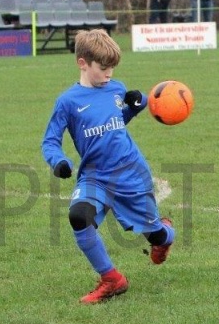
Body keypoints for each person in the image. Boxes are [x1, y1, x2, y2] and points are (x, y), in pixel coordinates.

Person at [42, 29, 175, 304]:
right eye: (103, 68)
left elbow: (115, 121)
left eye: (112, 68)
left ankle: (165, 236)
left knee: (154, 234)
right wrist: (59, 161)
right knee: (79, 216)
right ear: (82, 63)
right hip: (95, 176)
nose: (109, 74)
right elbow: (50, 141)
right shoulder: (67, 102)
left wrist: (135, 106)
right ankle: (112, 279)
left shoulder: (115, 88)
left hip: (131, 173)